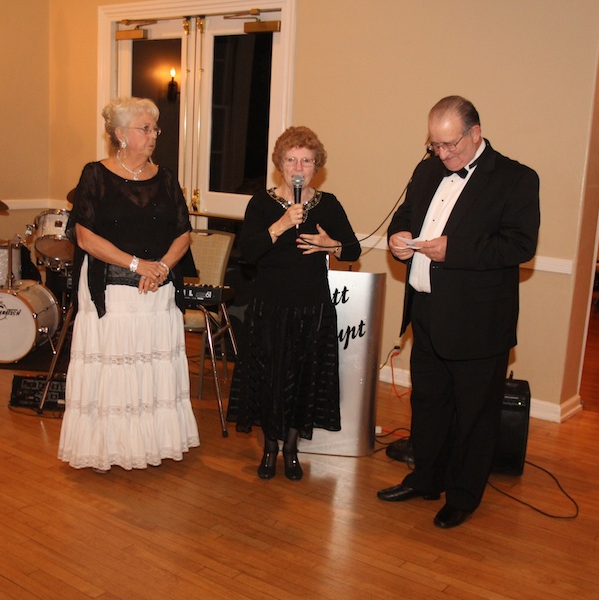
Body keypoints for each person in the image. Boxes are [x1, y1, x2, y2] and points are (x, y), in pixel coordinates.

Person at [380, 96, 540, 528]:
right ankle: (427, 478)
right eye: (435, 145)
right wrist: (400, 235)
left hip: (478, 320)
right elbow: (408, 213)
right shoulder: (427, 169)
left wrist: (454, 250)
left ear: (475, 133)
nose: (443, 154)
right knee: (429, 404)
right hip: (427, 310)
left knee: (474, 413)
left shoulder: (516, 179)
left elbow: (520, 246)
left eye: (451, 145)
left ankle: (464, 495)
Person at [57, 97, 199, 472]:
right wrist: (138, 265)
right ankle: (112, 447)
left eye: (155, 129)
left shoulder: (166, 177)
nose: (154, 135)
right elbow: (85, 238)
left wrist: (162, 268)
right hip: (113, 289)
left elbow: (184, 234)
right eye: (145, 128)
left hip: (157, 290)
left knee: (151, 366)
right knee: (117, 367)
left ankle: (154, 442)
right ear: (120, 134)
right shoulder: (95, 174)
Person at [227, 126, 361, 481]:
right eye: (291, 159)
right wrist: (282, 224)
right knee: (271, 380)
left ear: (316, 166)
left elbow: (353, 251)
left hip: (312, 308)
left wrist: (328, 244)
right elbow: (248, 255)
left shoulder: (328, 204)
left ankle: (291, 450)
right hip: (269, 307)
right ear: (279, 164)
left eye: (306, 160)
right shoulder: (261, 204)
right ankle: (269, 449)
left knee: (302, 380)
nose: (298, 166)